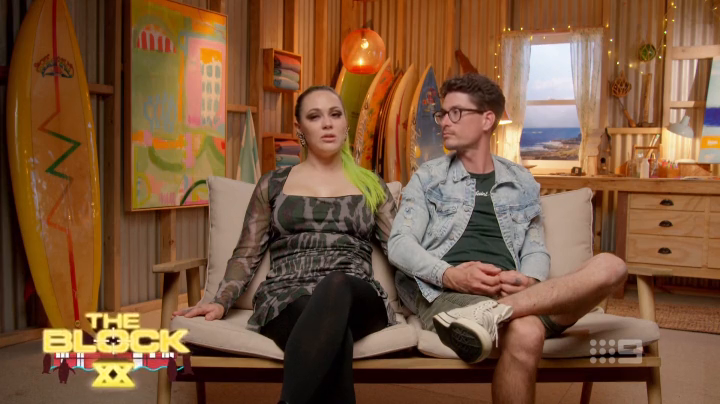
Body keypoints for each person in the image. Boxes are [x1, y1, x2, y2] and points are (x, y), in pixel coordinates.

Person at [388, 73, 627, 404]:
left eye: (456, 112)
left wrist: (529, 280)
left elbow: (535, 248)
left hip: (517, 296)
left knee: (612, 266)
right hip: (447, 297)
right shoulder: (428, 178)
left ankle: (496, 313)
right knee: (527, 331)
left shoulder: (521, 181)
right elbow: (399, 244)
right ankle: (495, 313)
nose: (444, 121)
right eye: (443, 113)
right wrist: (451, 274)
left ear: (487, 120)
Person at [174, 85, 397, 404]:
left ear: (346, 125)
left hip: (356, 295)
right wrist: (221, 300)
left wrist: (433, 302)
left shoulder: (371, 185)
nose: (327, 123)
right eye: (315, 116)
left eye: (335, 115)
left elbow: (401, 252)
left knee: (335, 285)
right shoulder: (273, 183)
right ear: (300, 129)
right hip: (286, 297)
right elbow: (247, 253)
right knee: (334, 336)